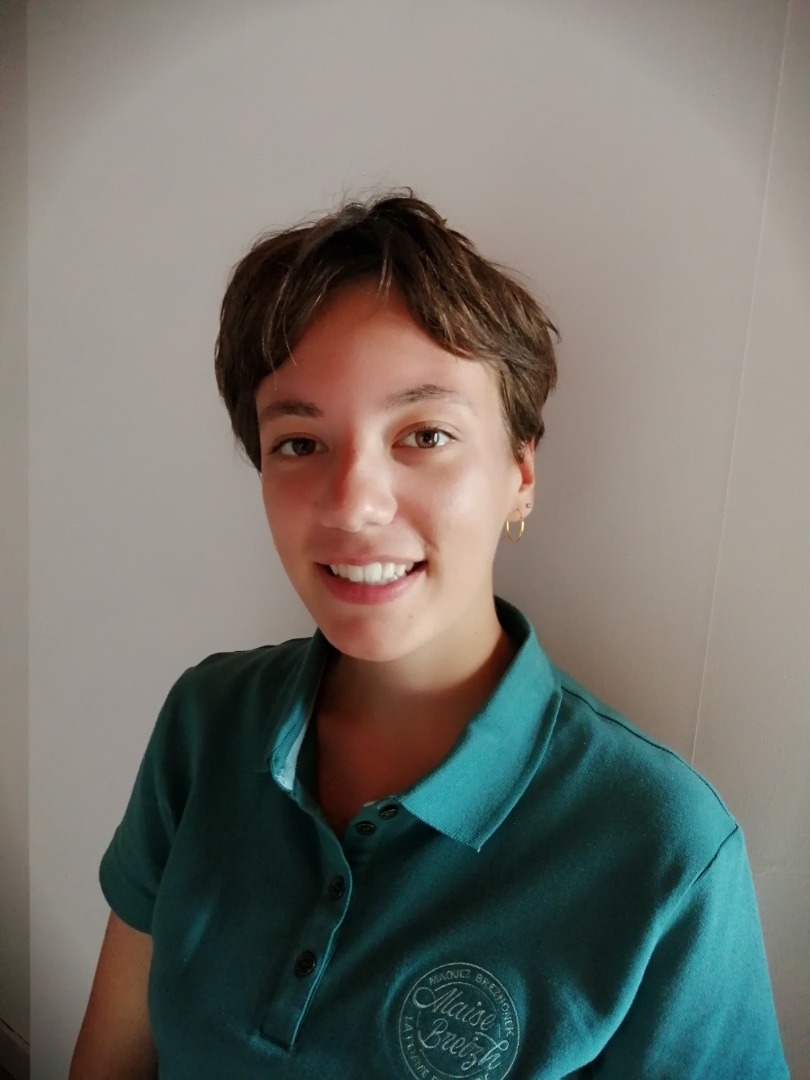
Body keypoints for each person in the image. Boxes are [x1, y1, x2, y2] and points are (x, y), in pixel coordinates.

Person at [70, 192, 787, 1079]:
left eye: (425, 434)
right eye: (300, 442)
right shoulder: (205, 721)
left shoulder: (662, 850)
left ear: (520, 473)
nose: (353, 504)